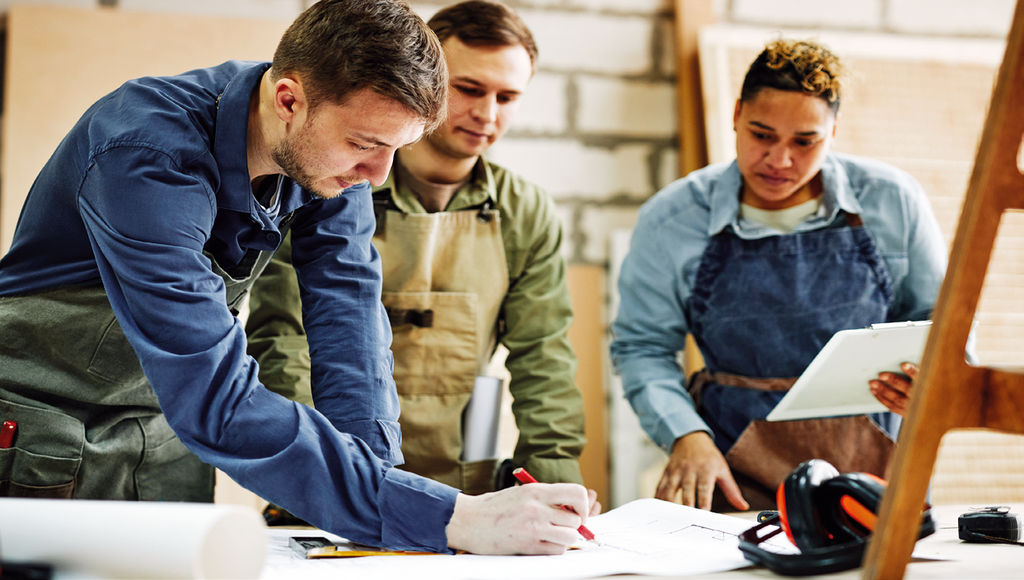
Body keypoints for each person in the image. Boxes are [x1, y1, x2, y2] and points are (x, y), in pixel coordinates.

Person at [0, 0, 595, 555]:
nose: (378, 175)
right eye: (365, 144)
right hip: (46, 435)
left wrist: (379, 486)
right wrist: (449, 518)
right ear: (289, 100)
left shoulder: (334, 161)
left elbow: (351, 322)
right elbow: (215, 397)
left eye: (396, 149)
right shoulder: (146, 156)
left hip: (163, 436)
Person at [246, 0, 588, 498]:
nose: (487, 114)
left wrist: (554, 486)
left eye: (508, 97)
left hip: (465, 479)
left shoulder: (524, 212)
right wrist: (308, 480)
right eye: (468, 89)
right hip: (338, 474)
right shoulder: (328, 182)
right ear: (422, 81)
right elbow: (286, 341)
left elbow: (544, 360)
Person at [610, 38, 948, 512]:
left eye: (805, 142)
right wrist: (685, 436)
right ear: (735, 114)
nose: (780, 160)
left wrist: (933, 381)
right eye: (762, 134)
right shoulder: (674, 218)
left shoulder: (893, 200)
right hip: (731, 472)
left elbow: (942, 322)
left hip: (876, 469)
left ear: (834, 132)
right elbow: (642, 347)